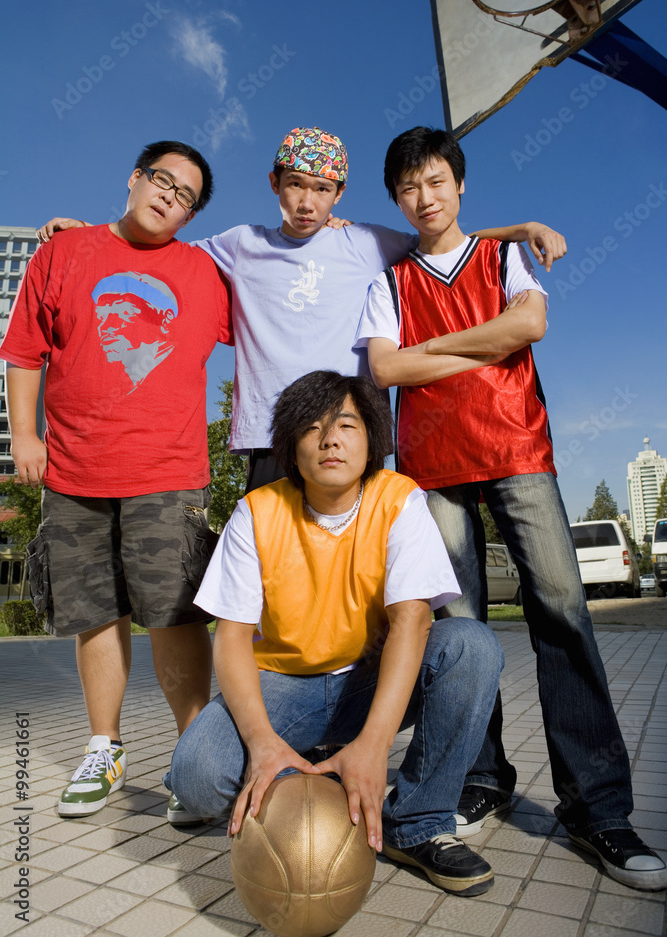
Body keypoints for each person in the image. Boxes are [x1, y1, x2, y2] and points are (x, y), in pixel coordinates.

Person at [354, 125, 667, 892]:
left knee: (561, 613)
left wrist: (438, 352)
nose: (422, 198)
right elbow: (386, 366)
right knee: (460, 631)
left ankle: (597, 808)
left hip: (517, 448)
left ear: (459, 187)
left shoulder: (503, 255)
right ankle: (480, 777)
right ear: (395, 197)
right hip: (430, 465)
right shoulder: (388, 283)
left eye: (434, 181)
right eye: (406, 187)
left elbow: (529, 324)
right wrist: (482, 341)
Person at [38, 126, 566, 492]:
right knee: (274, 570)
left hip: (353, 426)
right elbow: (160, 249)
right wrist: (91, 232)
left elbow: (445, 238)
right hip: (271, 431)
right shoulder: (242, 243)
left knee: (359, 572)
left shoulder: (365, 242)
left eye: (321, 190)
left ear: (338, 194)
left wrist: (521, 230)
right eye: (295, 186)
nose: (307, 203)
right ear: (275, 184)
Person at [165, 370, 505, 897]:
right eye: (313, 428)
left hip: (369, 679)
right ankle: (313, 778)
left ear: (370, 439)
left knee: (471, 646)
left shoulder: (399, 499)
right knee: (196, 779)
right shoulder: (256, 511)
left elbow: (414, 620)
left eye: (347, 424)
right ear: (289, 447)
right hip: (286, 684)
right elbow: (230, 637)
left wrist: (374, 746)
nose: (330, 439)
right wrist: (261, 743)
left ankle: (415, 824)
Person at [1, 142, 233, 823]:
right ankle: (104, 747)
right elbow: (22, 351)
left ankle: (195, 756)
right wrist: (23, 436)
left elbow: (282, 291)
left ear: (190, 214)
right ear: (134, 180)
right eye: (162, 180)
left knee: (173, 613)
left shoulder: (203, 273)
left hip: (167, 472)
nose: (170, 196)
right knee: (94, 612)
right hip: (74, 470)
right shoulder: (62, 253)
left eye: (186, 194)